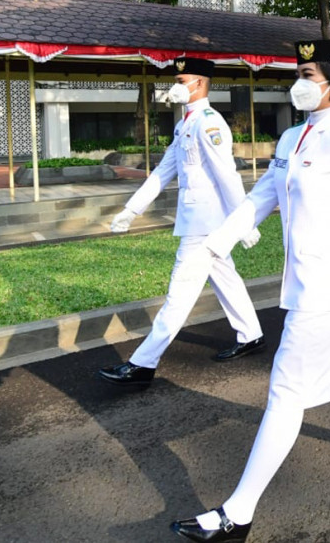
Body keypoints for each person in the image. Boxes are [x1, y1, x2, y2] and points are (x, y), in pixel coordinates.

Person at [170, 40, 330, 543]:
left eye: (308, 72)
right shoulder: (292, 138)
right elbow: (261, 196)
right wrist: (215, 244)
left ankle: (237, 513)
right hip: (308, 281)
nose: (299, 81)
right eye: (298, 72)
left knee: (286, 393)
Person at [98, 57, 264, 389]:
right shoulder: (185, 123)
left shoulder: (209, 123)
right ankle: (251, 334)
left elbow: (227, 176)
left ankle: (143, 363)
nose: (175, 85)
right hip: (199, 221)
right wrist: (132, 210)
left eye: (180, 78)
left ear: (199, 83)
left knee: (179, 293)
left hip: (204, 225)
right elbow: (163, 172)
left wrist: (245, 222)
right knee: (225, 278)